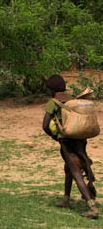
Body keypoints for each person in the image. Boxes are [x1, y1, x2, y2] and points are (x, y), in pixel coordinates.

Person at [42, 74, 98, 219]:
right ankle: (66, 199)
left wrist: (55, 137)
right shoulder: (72, 99)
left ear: (51, 89)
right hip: (80, 139)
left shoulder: (53, 102)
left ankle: (91, 207)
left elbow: (45, 125)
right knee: (69, 168)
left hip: (67, 141)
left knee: (75, 172)